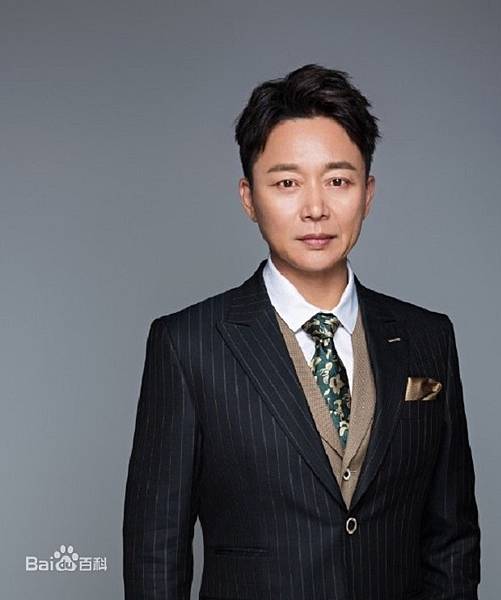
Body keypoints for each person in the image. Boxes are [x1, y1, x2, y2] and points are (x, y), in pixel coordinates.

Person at [122, 63, 481, 600]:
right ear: (249, 197)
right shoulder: (188, 345)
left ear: (368, 193)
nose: (315, 208)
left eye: (338, 181)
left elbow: (452, 542)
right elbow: (156, 552)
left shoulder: (428, 338)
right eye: (287, 183)